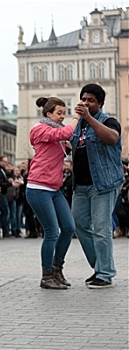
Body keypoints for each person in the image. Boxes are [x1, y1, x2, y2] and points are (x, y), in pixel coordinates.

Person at [71, 83, 124, 289]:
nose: (85, 103)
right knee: (80, 224)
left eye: (90, 100)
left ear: (99, 103)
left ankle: (105, 274)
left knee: (101, 228)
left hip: (103, 183)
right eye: (83, 99)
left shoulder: (108, 120)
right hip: (81, 186)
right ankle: (100, 267)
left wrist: (89, 118)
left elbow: (112, 138)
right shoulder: (77, 125)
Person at [26, 97, 79, 290]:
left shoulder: (56, 134)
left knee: (68, 228)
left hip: (54, 188)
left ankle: (57, 269)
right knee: (51, 232)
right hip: (38, 187)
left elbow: (66, 136)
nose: (62, 116)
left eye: (64, 113)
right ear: (48, 114)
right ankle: (46, 275)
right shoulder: (40, 129)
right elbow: (65, 132)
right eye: (59, 113)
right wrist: (76, 117)